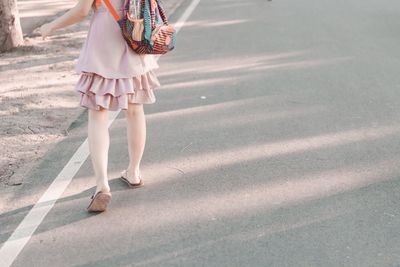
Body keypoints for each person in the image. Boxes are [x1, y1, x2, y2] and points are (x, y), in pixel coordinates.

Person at [40, 0, 161, 212]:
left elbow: (82, 11)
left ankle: (102, 185)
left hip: (104, 40)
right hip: (136, 34)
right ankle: (133, 172)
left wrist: (50, 26)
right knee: (135, 108)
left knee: (98, 113)